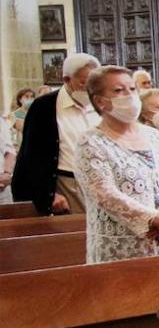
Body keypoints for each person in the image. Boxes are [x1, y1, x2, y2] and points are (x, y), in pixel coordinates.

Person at [74, 66, 159, 263]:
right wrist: (153, 219)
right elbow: (104, 194)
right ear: (100, 101)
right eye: (119, 91)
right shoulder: (91, 142)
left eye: (132, 89)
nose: (128, 95)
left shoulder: (154, 136)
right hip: (124, 251)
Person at [13, 52, 101, 214]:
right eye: (83, 82)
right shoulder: (45, 106)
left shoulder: (101, 101)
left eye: (94, 83)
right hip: (67, 183)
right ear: (67, 80)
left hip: (101, 181)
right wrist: (49, 193)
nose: (90, 89)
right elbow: (32, 154)